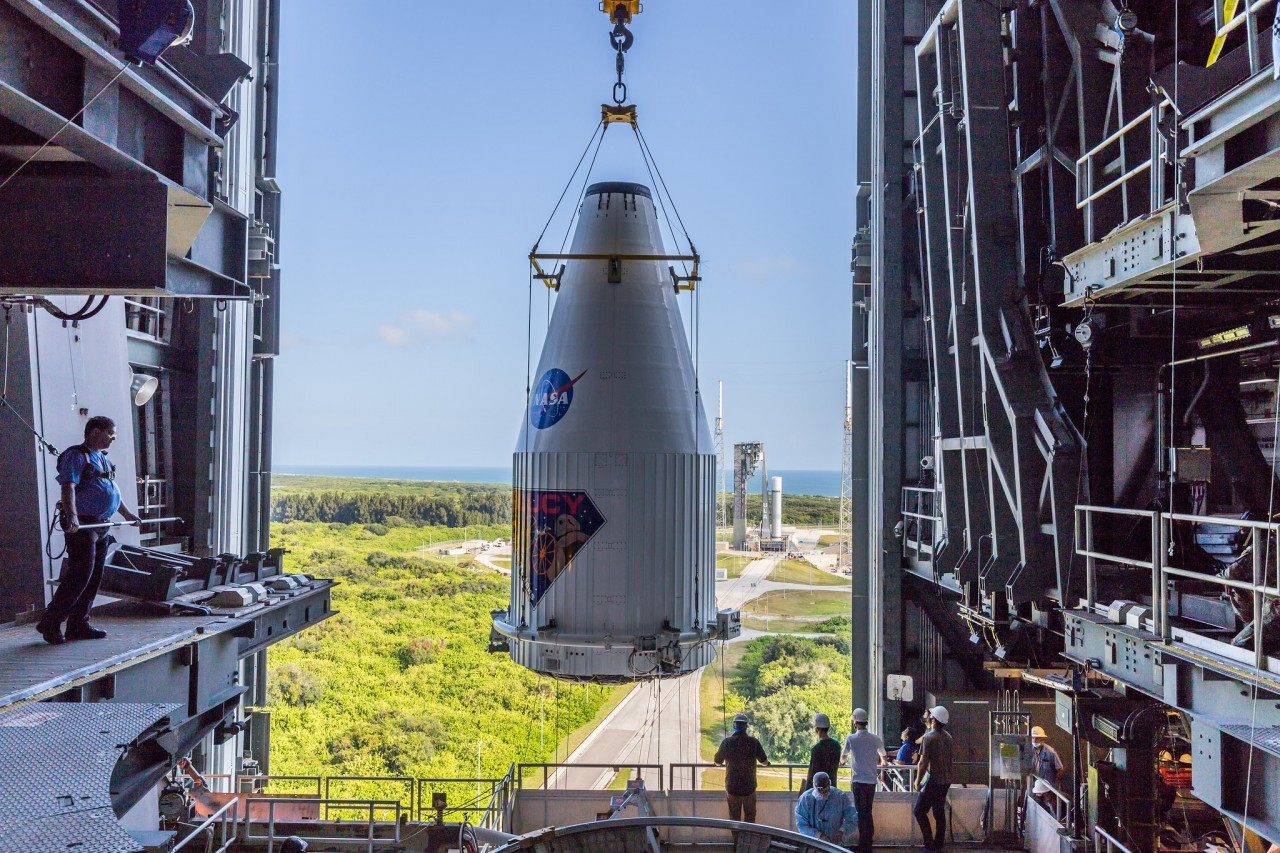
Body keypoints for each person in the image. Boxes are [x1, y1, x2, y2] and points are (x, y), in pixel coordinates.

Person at [37, 416, 140, 645]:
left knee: (94, 576)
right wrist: (72, 515)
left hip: (102, 524)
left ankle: (78, 623)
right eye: (110, 433)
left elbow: (111, 489)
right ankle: (50, 623)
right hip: (83, 524)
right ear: (94, 432)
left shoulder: (103, 458)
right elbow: (68, 487)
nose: (113, 438)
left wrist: (127, 514)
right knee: (80, 575)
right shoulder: (76, 456)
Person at [841, 707, 886, 853]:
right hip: (871, 782)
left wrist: (843, 762)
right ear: (866, 722)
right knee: (868, 811)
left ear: (855, 723)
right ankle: (868, 843)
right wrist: (882, 764)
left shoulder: (851, 738)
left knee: (861, 813)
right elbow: (883, 757)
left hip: (858, 781)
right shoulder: (875, 738)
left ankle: (863, 845)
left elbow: (843, 758)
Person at [714, 712, 770, 822]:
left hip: (732, 787)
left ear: (734, 726)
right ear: (746, 727)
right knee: (750, 817)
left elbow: (717, 762)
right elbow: (764, 761)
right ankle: (748, 839)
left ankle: (736, 839)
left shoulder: (727, 742)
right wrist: (768, 764)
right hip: (749, 787)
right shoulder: (753, 742)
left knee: (734, 819)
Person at [914, 704, 954, 852]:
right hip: (946, 781)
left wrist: (918, 781)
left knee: (919, 811)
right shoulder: (949, 737)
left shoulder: (929, 738)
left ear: (934, 720)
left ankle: (929, 845)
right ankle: (938, 845)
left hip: (933, 781)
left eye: (931, 717)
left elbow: (923, 762)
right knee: (939, 812)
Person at [794, 771, 856, 845]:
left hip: (835, 843)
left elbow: (852, 818)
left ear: (829, 784)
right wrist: (818, 836)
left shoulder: (840, 797)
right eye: (820, 791)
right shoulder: (805, 799)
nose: (823, 794)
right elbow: (802, 825)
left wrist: (841, 831)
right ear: (814, 786)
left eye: (826, 791)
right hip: (814, 843)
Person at [801, 712, 841, 793]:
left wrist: (806, 792)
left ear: (817, 729)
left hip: (818, 790)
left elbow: (812, 773)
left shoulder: (816, 749)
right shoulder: (836, 746)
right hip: (832, 788)